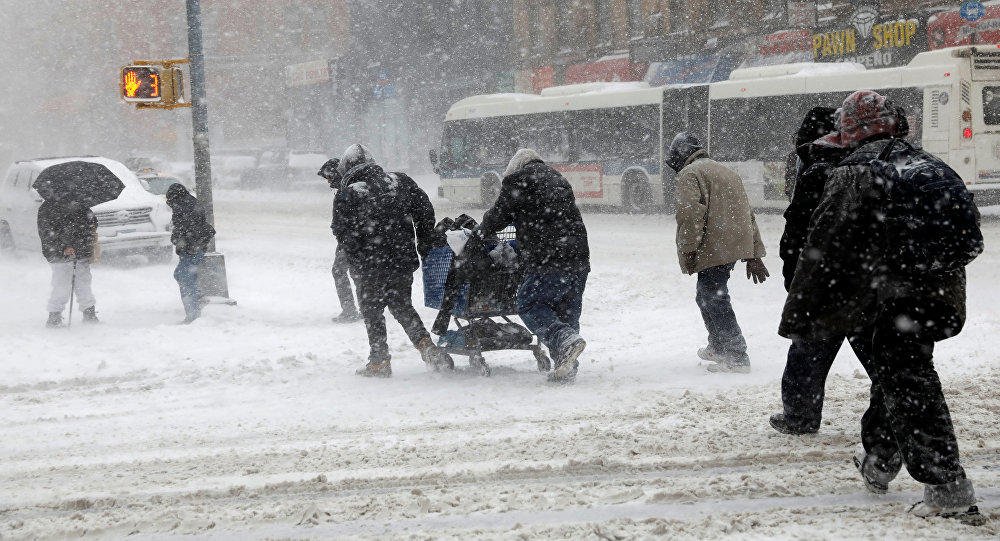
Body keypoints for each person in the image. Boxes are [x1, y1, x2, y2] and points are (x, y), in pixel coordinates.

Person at [778, 90, 983, 521]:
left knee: (911, 385)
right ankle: (881, 459)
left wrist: (802, 312)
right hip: (940, 302)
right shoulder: (930, 165)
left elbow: (823, 245)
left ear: (850, 131)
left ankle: (947, 490)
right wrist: (927, 268)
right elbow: (970, 241)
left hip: (887, 300)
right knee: (897, 373)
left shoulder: (856, 172)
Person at [332, 144, 448, 377]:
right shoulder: (400, 182)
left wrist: (357, 258)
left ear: (348, 169)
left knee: (372, 311)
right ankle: (427, 347)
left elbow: (342, 233)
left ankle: (380, 361)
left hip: (369, 265)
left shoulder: (348, 194)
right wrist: (422, 240)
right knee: (402, 305)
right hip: (401, 261)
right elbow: (425, 210)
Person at [479, 148, 590, 383]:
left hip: (548, 258)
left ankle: (565, 341)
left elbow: (498, 217)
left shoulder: (518, 181)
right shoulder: (558, 179)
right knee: (566, 310)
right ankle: (567, 365)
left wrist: (482, 230)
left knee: (529, 303)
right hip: (578, 259)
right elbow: (549, 218)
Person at [667, 132, 769, 374]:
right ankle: (719, 346)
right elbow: (747, 213)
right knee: (707, 295)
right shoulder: (727, 171)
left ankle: (735, 354)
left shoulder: (690, 174)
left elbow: (690, 216)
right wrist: (753, 253)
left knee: (713, 297)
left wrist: (689, 249)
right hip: (730, 246)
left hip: (711, 247)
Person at [38, 200, 100, 327]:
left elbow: (92, 223)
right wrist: (63, 247)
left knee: (83, 283)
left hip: (80, 252)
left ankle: (89, 312)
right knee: (61, 284)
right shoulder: (48, 208)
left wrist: (86, 235)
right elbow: (46, 233)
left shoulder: (81, 204)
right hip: (59, 254)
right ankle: (54, 316)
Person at [166, 183, 216, 324]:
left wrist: (177, 239)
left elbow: (185, 229)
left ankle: (193, 314)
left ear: (174, 197)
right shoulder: (189, 202)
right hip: (195, 247)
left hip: (191, 248)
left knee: (185, 278)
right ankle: (197, 298)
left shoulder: (183, 207)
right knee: (184, 276)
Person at [318, 158, 360, 323]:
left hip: (350, 240)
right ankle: (366, 307)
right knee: (356, 272)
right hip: (354, 238)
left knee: (339, 271)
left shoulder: (346, 191)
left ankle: (350, 310)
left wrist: (342, 235)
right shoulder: (351, 187)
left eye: (329, 178)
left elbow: (342, 221)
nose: (328, 182)